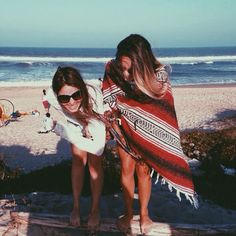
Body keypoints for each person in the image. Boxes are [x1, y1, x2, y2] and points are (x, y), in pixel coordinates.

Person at [102, 34, 198, 234]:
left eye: (131, 69)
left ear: (143, 63)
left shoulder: (159, 78)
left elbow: (162, 114)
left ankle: (144, 213)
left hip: (147, 132)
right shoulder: (114, 69)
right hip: (123, 127)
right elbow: (111, 97)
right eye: (123, 68)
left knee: (144, 171)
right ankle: (128, 213)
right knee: (126, 170)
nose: (126, 74)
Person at [46, 66, 106, 229]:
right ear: (57, 95)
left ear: (82, 91)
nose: (71, 102)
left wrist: (59, 129)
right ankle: (76, 207)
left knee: (95, 165)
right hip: (74, 122)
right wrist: (46, 112)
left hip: (94, 118)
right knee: (78, 161)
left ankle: (95, 210)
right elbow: (46, 96)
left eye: (76, 95)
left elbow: (97, 148)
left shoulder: (94, 97)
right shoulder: (53, 97)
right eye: (64, 98)